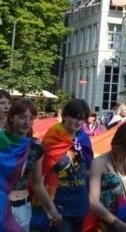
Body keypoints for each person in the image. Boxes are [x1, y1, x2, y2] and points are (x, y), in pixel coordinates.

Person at [3, 98, 62, 230]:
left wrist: (51, 209)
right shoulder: (2, 142)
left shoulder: (36, 147)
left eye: (31, 118)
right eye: (23, 117)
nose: (27, 122)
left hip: (23, 208)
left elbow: (37, 184)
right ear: (12, 117)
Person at [42, 99, 94, 231]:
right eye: (75, 117)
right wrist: (49, 208)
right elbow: (42, 172)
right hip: (59, 205)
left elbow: (89, 167)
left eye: (82, 119)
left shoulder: (84, 138)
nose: (79, 122)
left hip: (82, 203)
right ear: (64, 115)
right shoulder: (52, 137)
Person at [86, 122, 126, 231]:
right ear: (117, 142)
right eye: (125, 149)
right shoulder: (99, 163)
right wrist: (116, 223)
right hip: (109, 221)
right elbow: (93, 201)